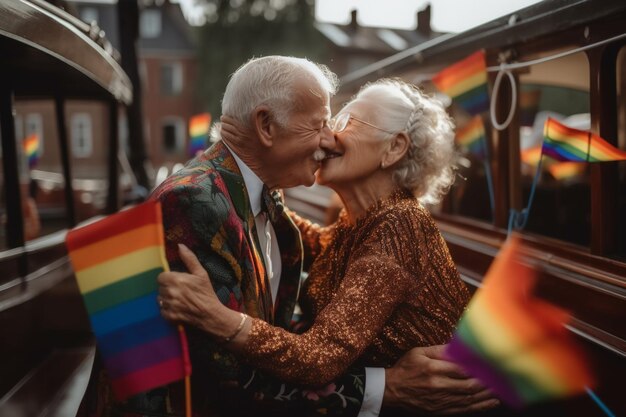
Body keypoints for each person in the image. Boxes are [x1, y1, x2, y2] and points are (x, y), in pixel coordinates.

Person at [156, 71, 498, 417]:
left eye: (346, 121)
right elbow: (305, 235)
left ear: (394, 148)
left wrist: (217, 318)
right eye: (328, 122)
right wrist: (269, 174)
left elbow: (317, 360)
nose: (330, 136)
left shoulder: (399, 226)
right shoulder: (358, 225)